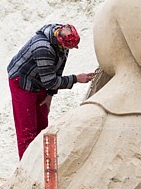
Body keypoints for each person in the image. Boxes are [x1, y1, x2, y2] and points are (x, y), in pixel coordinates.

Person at [7, 24, 95, 159]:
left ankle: (41, 165)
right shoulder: (43, 48)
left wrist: (50, 95)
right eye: (69, 47)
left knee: (42, 126)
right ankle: (26, 170)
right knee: (27, 130)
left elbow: (57, 70)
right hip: (22, 81)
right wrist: (76, 79)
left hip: (40, 79)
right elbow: (50, 81)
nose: (69, 50)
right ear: (60, 41)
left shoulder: (62, 38)